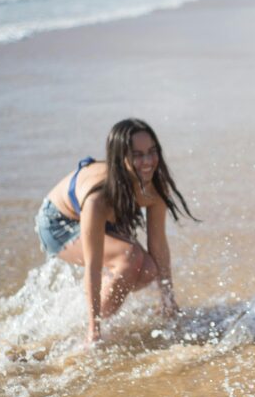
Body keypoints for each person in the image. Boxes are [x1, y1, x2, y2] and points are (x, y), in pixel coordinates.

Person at [35, 118, 196, 344]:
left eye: (152, 151)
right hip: (59, 222)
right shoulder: (97, 199)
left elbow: (158, 244)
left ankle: (100, 302)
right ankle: (88, 327)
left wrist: (168, 299)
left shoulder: (155, 187)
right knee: (129, 257)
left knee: (149, 269)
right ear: (120, 159)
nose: (148, 161)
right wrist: (94, 330)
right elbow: (93, 266)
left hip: (109, 212)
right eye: (137, 155)